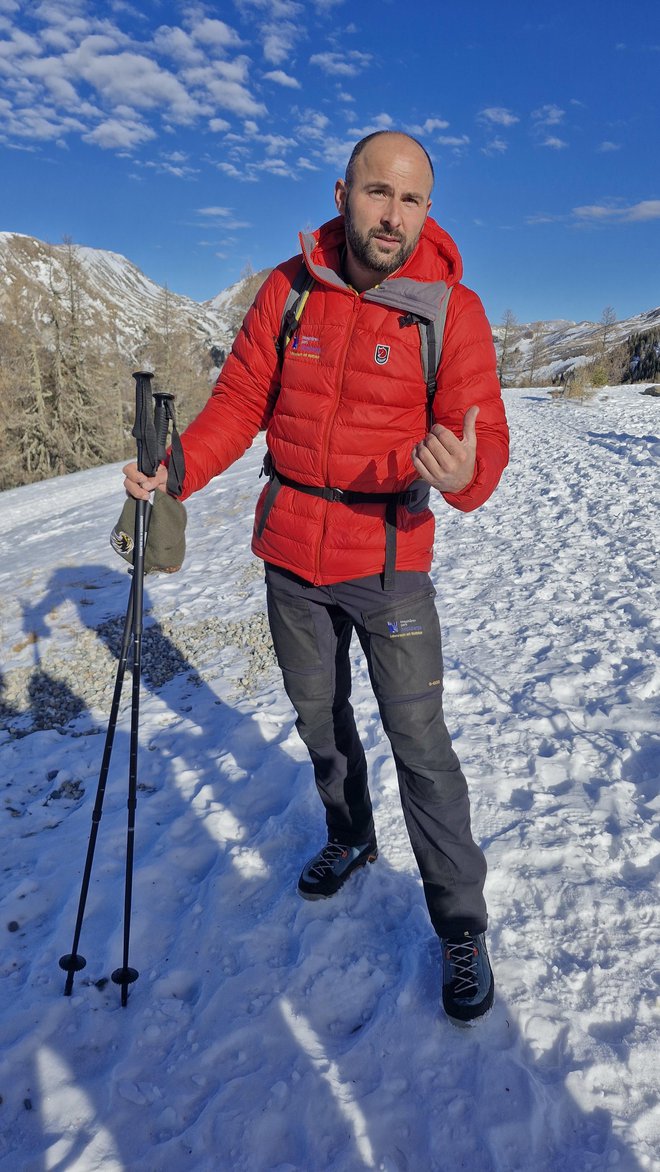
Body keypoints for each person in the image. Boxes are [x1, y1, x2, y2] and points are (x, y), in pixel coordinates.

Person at [124, 131, 509, 1026]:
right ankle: (349, 837)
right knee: (320, 724)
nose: (393, 216)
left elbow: (481, 450)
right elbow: (238, 405)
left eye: (412, 200)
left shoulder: (452, 310)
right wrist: (177, 468)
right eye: (378, 193)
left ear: (428, 208)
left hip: (389, 562)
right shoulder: (287, 291)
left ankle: (460, 923)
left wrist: (464, 476)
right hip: (291, 556)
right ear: (343, 192)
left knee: (422, 750)